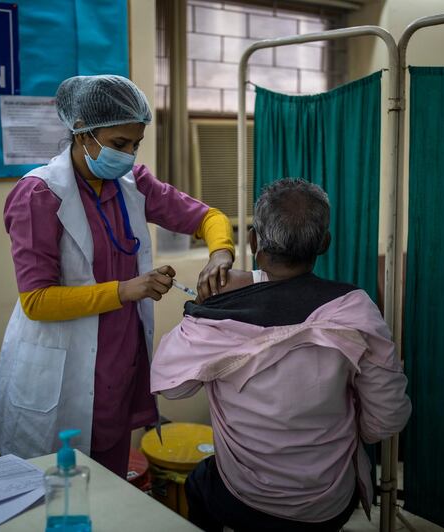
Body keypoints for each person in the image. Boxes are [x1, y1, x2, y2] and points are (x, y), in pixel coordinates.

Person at [0, 75, 235, 478]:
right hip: (61, 371)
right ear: (83, 133)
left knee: (109, 483)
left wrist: (221, 252)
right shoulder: (39, 195)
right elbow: (36, 301)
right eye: (119, 144)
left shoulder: (133, 184)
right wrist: (127, 290)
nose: (128, 155)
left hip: (116, 366)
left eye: (135, 144)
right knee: (55, 492)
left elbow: (208, 217)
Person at [151, 179, 412, 531]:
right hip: (326, 502)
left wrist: (200, 307)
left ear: (253, 241)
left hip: (245, 498)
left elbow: (172, 388)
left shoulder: (217, 317)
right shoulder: (355, 310)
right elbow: (388, 418)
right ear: (324, 243)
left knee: (200, 484)